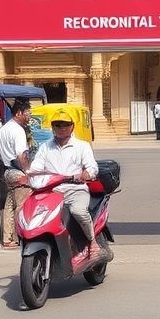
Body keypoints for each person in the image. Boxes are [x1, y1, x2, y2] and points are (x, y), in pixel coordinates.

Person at [20, 107, 102, 262]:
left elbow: (92, 166)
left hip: (75, 189)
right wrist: (27, 175)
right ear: (52, 128)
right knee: (30, 212)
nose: (61, 128)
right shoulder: (45, 147)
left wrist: (86, 174)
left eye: (65, 124)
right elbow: (36, 167)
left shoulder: (82, 146)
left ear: (72, 126)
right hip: (51, 190)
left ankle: (92, 241)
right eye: (57, 125)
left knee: (78, 211)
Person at [0, 98, 32, 249]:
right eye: (27, 113)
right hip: (18, 172)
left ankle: (7, 238)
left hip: (7, 171)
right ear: (18, 113)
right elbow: (21, 155)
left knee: (9, 205)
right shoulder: (18, 130)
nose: (29, 116)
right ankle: (20, 236)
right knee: (22, 206)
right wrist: (28, 172)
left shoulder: (3, 129)